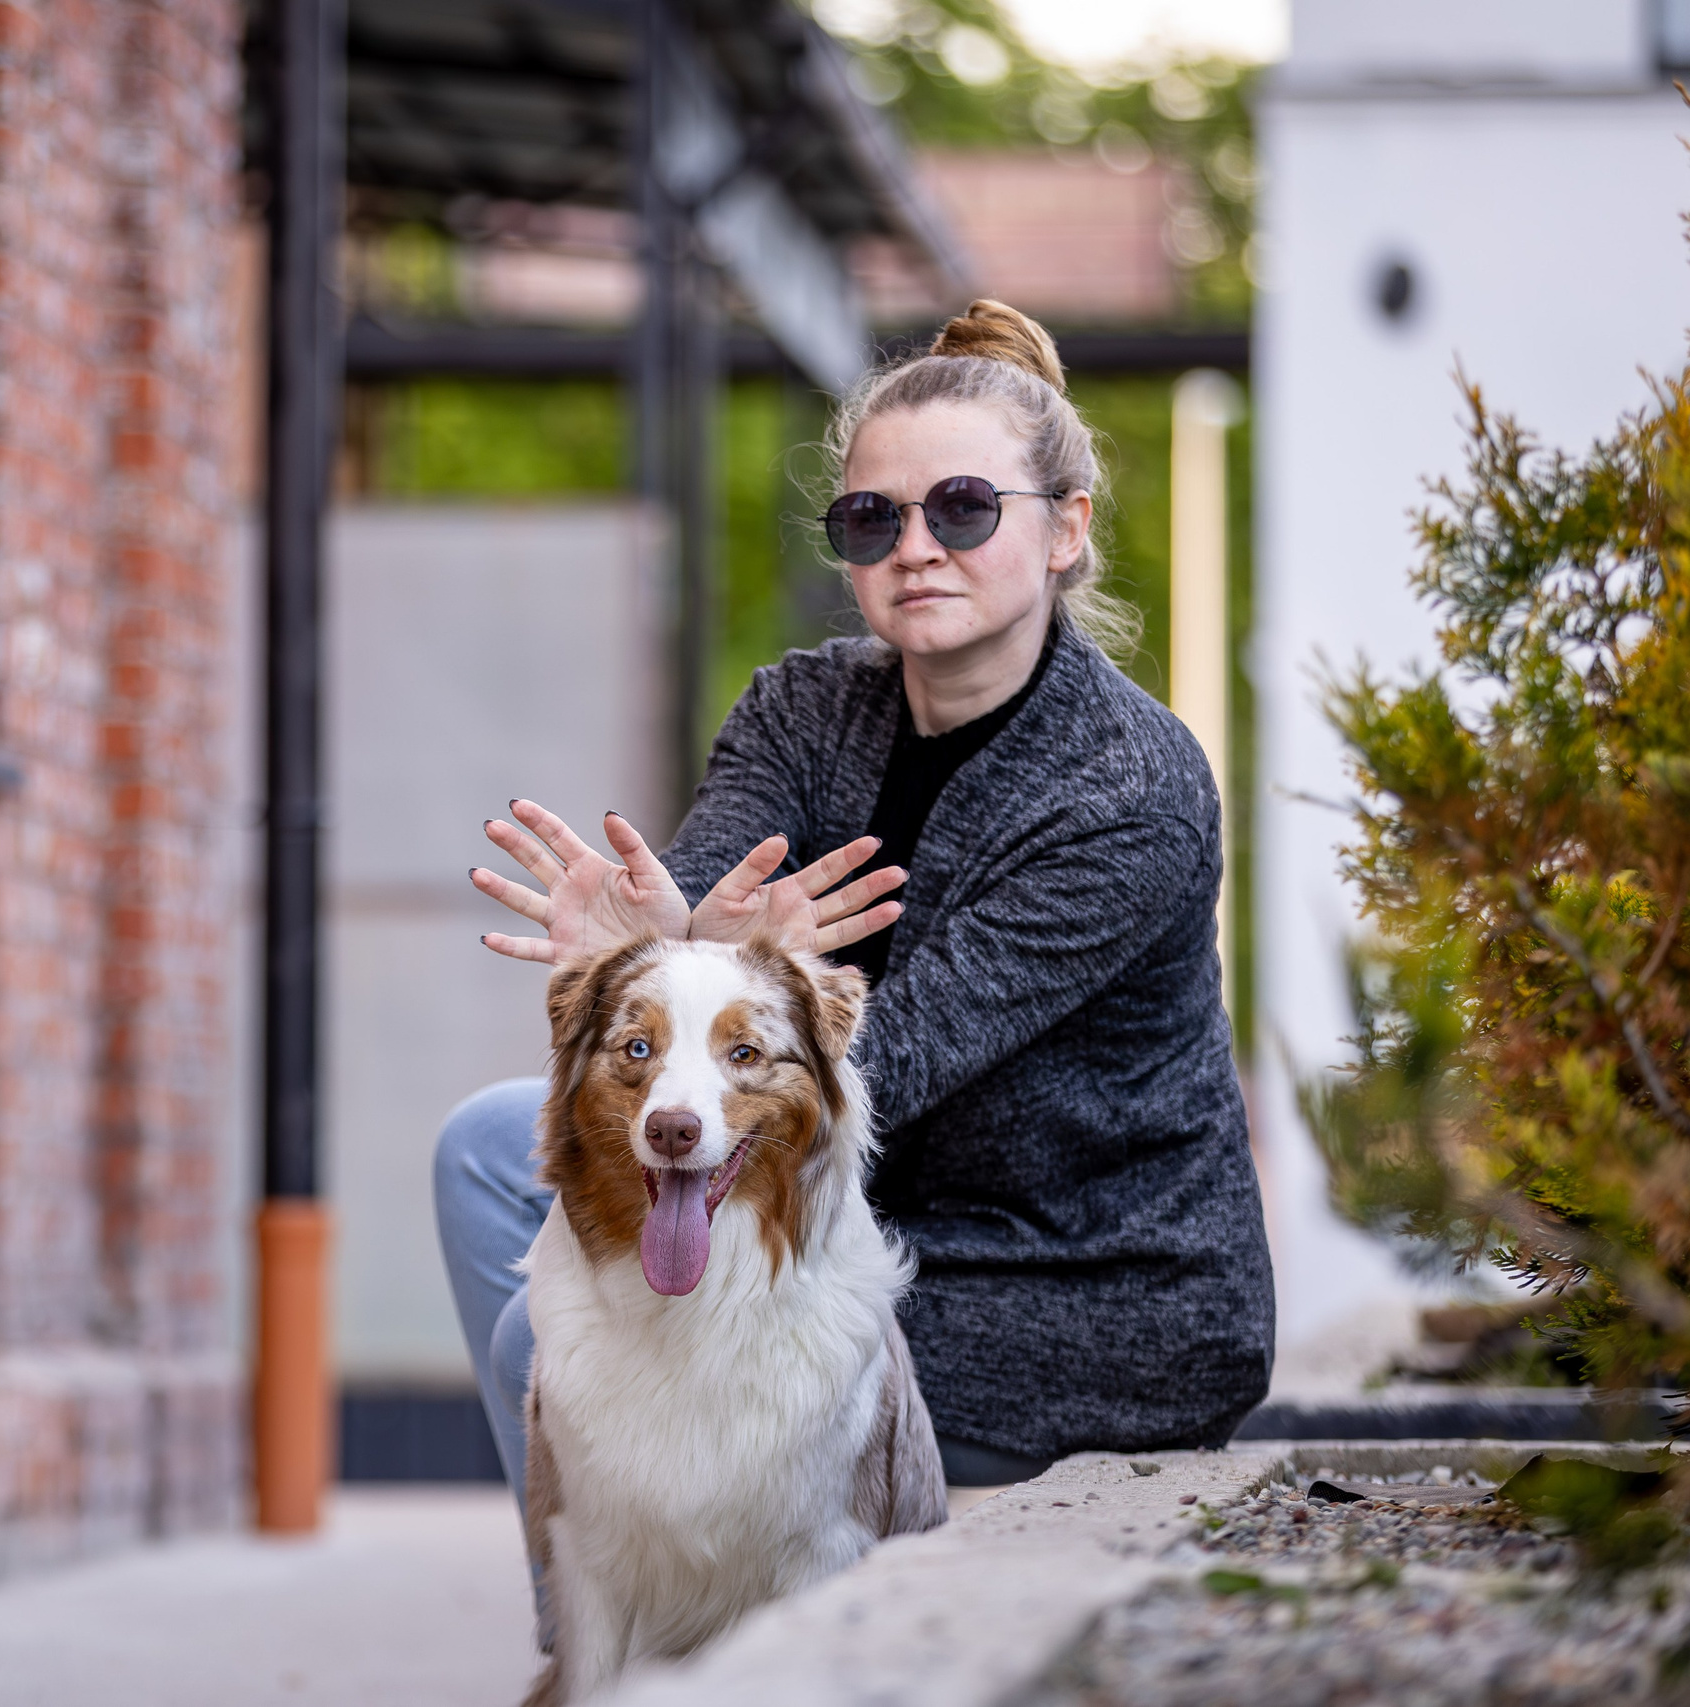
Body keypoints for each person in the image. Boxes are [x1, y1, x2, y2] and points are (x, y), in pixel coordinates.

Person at [438, 300, 1274, 1504]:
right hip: (835, 1220)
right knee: (481, 1150)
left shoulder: (1128, 791)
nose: (915, 547)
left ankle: (680, 1664)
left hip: (1070, 1299)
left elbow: (875, 1068)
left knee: (554, 1349)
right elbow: (695, 938)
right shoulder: (800, 709)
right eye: (872, 518)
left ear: (1063, 531)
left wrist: (745, 985)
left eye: (965, 508)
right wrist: (640, 947)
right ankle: (600, 1642)